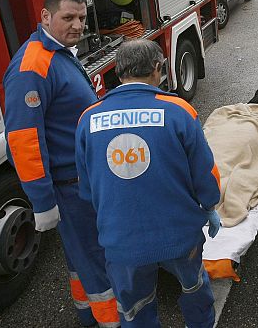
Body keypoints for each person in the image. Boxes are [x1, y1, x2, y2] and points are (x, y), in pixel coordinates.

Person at [75, 39, 221, 328]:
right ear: (157, 69)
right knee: (193, 287)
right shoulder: (179, 111)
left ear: (118, 72)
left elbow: (88, 189)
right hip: (178, 235)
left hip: (121, 241)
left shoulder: (87, 119)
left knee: (134, 306)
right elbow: (205, 173)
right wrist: (209, 204)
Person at [3, 0, 120, 328]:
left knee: (81, 258)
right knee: (97, 259)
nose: (78, 25)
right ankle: (112, 322)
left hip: (80, 180)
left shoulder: (58, 52)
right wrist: (42, 202)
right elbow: (24, 140)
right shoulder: (31, 67)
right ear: (46, 16)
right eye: (68, 17)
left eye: (82, 17)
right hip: (71, 186)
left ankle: (88, 315)